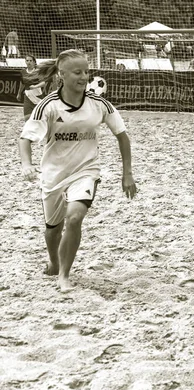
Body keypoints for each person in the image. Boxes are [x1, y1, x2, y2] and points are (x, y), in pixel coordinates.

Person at [18, 49, 137, 293]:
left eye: (86, 71)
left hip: (86, 171)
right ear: (61, 74)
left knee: (74, 217)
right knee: (53, 228)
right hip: (53, 173)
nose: (84, 77)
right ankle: (54, 263)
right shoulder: (48, 106)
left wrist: (127, 173)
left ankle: (64, 275)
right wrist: (26, 164)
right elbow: (25, 139)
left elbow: (123, 137)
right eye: (77, 72)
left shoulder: (99, 104)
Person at [16, 55, 47, 120]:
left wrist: (35, 86)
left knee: (39, 117)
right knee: (27, 117)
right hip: (27, 96)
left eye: (30, 60)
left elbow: (43, 83)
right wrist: (19, 93)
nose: (29, 62)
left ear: (34, 62)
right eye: (27, 60)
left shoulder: (38, 71)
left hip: (37, 96)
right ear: (25, 62)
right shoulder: (23, 72)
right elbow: (22, 83)